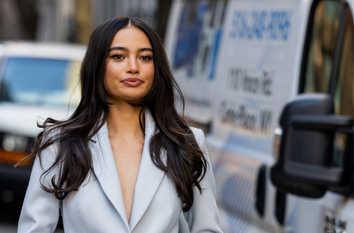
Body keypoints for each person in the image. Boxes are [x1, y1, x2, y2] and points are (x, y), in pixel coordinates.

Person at [17, 16, 223, 233]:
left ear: (156, 67)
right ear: (98, 65)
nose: (133, 67)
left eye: (145, 57)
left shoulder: (186, 142)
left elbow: (206, 228)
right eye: (118, 56)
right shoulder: (60, 143)